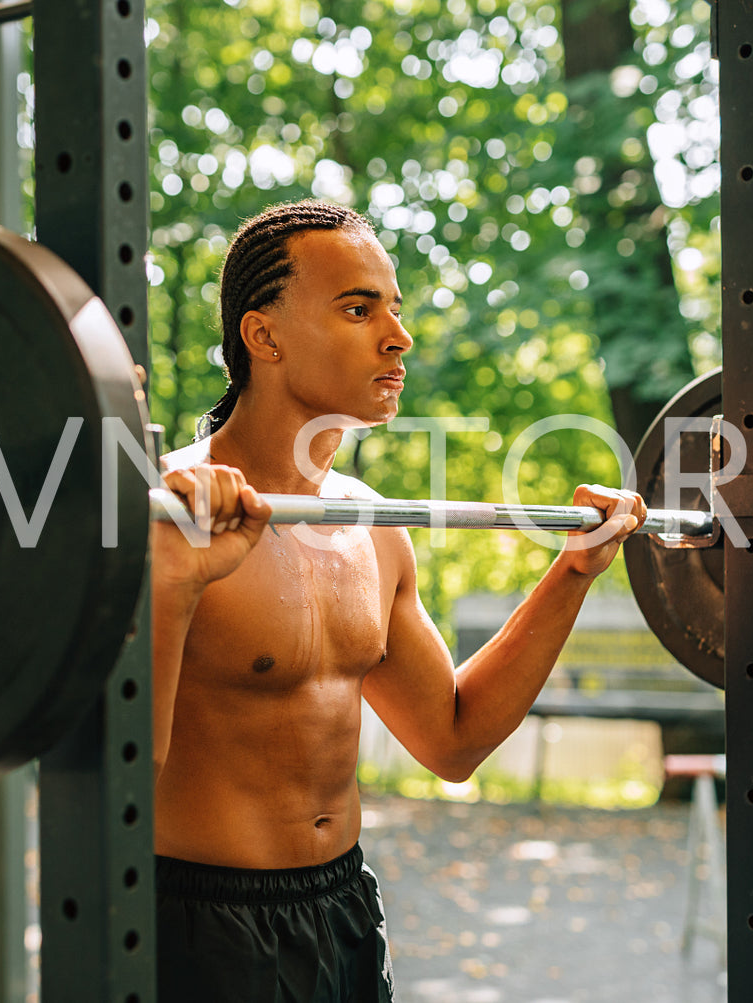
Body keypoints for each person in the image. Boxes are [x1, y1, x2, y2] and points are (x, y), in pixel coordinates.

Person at [150, 199, 645, 1002]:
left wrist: (575, 572)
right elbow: (110, 781)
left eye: (394, 308)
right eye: (357, 308)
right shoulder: (165, 516)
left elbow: (451, 740)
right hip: (196, 925)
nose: (397, 336)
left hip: (341, 911)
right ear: (262, 335)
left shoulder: (371, 526)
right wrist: (172, 585)